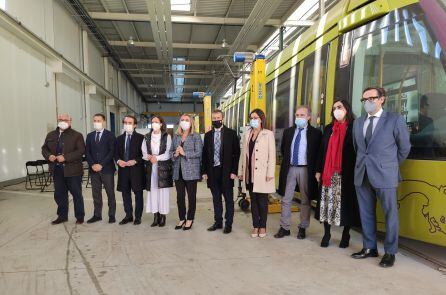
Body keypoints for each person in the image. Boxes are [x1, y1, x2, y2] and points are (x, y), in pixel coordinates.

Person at [351, 86, 411, 268]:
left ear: (382, 99)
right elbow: (358, 148)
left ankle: (390, 252)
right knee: (366, 213)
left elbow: (404, 148)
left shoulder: (394, 120)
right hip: (362, 174)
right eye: (364, 100)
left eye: (372, 98)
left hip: (385, 174)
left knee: (390, 214)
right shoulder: (358, 122)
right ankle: (369, 248)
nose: (367, 102)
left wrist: (390, 166)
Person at [315, 100, 360, 248]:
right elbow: (322, 151)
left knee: (345, 205)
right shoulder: (329, 129)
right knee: (327, 204)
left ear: (347, 109)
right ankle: (327, 234)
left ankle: (345, 234)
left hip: (346, 173)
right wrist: (318, 170)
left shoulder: (354, 128)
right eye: (334, 108)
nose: (336, 110)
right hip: (328, 174)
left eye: (339, 107)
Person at [275, 106, 322, 239]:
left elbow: (318, 154)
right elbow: (284, 150)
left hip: (306, 169)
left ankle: (303, 227)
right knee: (286, 198)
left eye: (302, 115)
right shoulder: (288, 132)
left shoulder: (316, 134)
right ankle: (284, 227)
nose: (299, 118)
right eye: (297, 115)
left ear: (308, 117)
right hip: (290, 168)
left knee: (305, 200)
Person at [41, 113, 85, 224]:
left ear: (70, 121)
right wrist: (48, 156)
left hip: (73, 170)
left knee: (76, 194)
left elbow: (80, 151)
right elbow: (44, 149)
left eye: (65, 119)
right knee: (60, 194)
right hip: (57, 170)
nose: (63, 121)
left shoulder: (77, 135)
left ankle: (80, 216)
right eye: (60, 119)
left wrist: (65, 157)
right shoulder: (50, 135)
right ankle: (62, 216)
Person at [238, 109, 276, 238]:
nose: (253, 120)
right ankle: (255, 226)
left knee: (262, 202)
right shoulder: (247, 134)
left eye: (256, 117)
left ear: (261, 119)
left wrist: (270, 172)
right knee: (253, 201)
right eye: (251, 118)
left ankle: (263, 226)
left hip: (263, 174)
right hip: (249, 173)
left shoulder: (268, 134)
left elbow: (272, 155)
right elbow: (242, 155)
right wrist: (240, 172)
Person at [202, 109, 240, 234]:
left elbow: (236, 154)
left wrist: (234, 171)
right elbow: (204, 155)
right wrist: (204, 172)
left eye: (218, 117)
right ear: (212, 119)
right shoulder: (208, 135)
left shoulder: (231, 134)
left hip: (227, 172)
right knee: (216, 199)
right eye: (214, 118)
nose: (216, 120)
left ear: (222, 118)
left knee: (229, 199)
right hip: (213, 172)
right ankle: (218, 222)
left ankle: (228, 224)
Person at [171, 114, 203, 230]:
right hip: (178, 171)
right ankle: (181, 218)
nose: (184, 122)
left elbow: (199, 153)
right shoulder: (176, 136)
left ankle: (190, 219)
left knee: (191, 197)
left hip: (191, 171)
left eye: (187, 120)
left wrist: (185, 153)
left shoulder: (195, 136)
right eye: (182, 120)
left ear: (191, 122)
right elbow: (171, 152)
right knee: (180, 197)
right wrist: (175, 154)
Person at [85, 114, 117, 224]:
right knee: (96, 193)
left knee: (110, 193)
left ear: (104, 122)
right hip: (93, 170)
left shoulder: (110, 135)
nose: (96, 122)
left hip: (107, 169)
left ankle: (112, 215)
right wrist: (93, 164)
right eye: (94, 120)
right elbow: (87, 152)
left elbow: (111, 152)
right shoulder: (89, 136)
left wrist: (101, 164)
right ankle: (97, 214)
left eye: (98, 120)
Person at [142, 115, 173, 227]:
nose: (154, 123)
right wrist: (149, 157)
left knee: (163, 193)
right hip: (151, 168)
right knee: (153, 192)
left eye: (156, 122)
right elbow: (144, 152)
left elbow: (168, 153)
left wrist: (157, 158)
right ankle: (156, 216)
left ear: (161, 124)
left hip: (163, 168)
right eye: (152, 122)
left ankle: (163, 216)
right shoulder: (146, 137)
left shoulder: (166, 136)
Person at [115, 115, 146, 225]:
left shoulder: (141, 138)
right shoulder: (119, 139)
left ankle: (138, 217)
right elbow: (116, 154)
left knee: (138, 195)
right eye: (125, 122)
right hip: (123, 171)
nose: (127, 124)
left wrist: (135, 161)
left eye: (129, 122)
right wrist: (119, 161)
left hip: (136, 170)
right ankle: (128, 215)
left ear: (135, 125)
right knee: (125, 194)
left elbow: (144, 155)